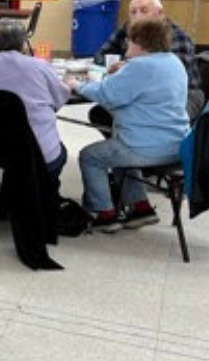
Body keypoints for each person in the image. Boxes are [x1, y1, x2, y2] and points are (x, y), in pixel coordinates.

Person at [68, 16, 190, 231]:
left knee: (91, 156)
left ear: (139, 43)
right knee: (117, 150)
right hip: (177, 143)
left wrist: (76, 84)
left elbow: (107, 95)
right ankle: (139, 207)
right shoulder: (172, 61)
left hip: (147, 146)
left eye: (129, 40)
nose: (126, 44)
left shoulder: (140, 67)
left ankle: (103, 213)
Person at [0, 15, 70, 180]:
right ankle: (48, 199)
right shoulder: (39, 67)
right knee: (59, 152)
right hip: (39, 156)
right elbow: (60, 98)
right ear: (23, 42)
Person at [97, 0, 201, 111]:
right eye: (133, 12)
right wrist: (115, 65)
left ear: (160, 13)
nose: (138, 16)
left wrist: (127, 67)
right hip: (138, 89)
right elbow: (101, 55)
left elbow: (168, 77)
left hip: (182, 95)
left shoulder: (177, 36)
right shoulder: (127, 29)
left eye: (144, 11)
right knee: (102, 111)